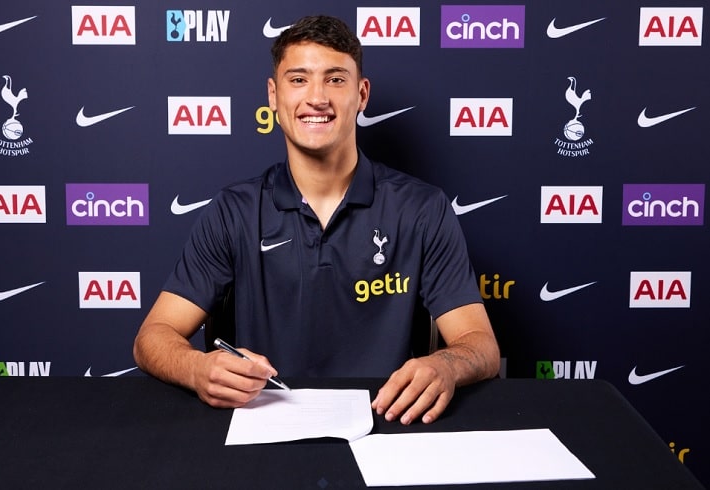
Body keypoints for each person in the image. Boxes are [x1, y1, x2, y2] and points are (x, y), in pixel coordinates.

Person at [133, 15, 499, 425]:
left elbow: (480, 345)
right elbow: (153, 336)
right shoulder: (233, 211)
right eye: (298, 79)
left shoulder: (422, 208)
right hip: (262, 423)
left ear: (362, 94)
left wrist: (445, 365)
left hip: (386, 423)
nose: (317, 98)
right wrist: (196, 368)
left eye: (335, 79)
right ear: (273, 95)